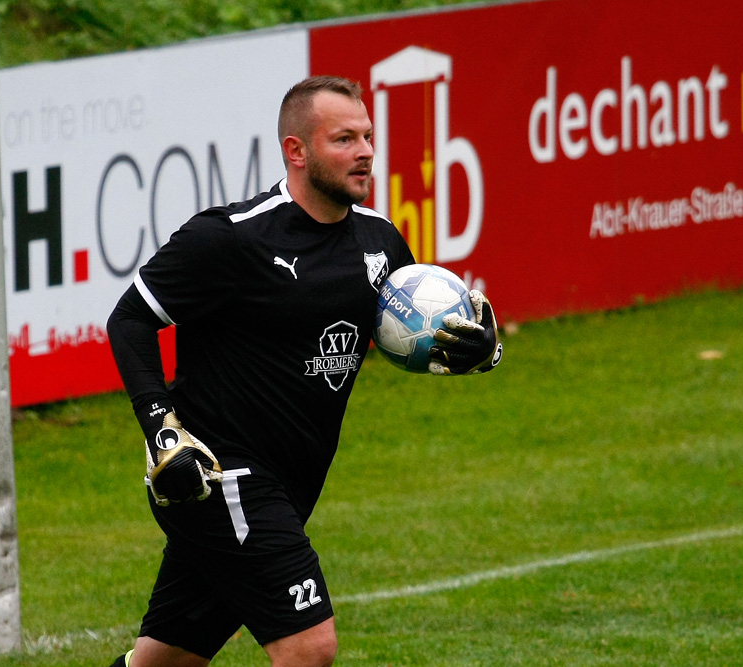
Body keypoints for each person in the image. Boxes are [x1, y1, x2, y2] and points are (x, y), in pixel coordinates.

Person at [105, 75, 502, 667]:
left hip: (292, 484)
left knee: (164, 662)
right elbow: (129, 320)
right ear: (297, 152)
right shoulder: (230, 238)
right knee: (310, 648)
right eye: (345, 139)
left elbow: (419, 333)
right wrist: (162, 430)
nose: (366, 151)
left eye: (368, 136)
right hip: (218, 475)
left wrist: (477, 351)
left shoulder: (381, 241)